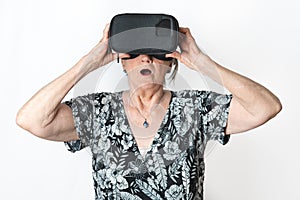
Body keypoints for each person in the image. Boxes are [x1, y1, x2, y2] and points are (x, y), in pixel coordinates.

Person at [16, 22, 282, 200]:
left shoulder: (195, 109)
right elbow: (32, 120)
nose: (146, 58)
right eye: (136, 52)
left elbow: (265, 108)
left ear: (170, 63)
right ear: (123, 63)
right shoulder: (97, 111)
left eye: (155, 52)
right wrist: (89, 62)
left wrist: (204, 64)